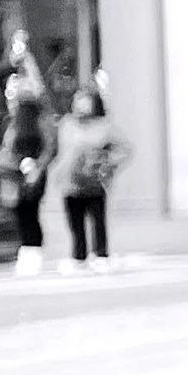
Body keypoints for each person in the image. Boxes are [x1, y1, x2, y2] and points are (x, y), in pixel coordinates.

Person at [51, 84, 130, 268]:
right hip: (69, 181)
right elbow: (56, 149)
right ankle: (78, 256)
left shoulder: (104, 126)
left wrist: (107, 164)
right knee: (75, 222)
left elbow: (124, 149)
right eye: (78, 101)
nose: (81, 105)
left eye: (85, 101)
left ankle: (101, 255)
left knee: (97, 220)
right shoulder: (66, 124)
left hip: (93, 182)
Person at [0, 76, 51, 277]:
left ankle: (31, 253)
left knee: (27, 215)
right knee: (27, 215)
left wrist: (33, 168)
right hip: (25, 175)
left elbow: (46, 149)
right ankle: (30, 253)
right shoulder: (19, 122)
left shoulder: (24, 123)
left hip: (28, 177)